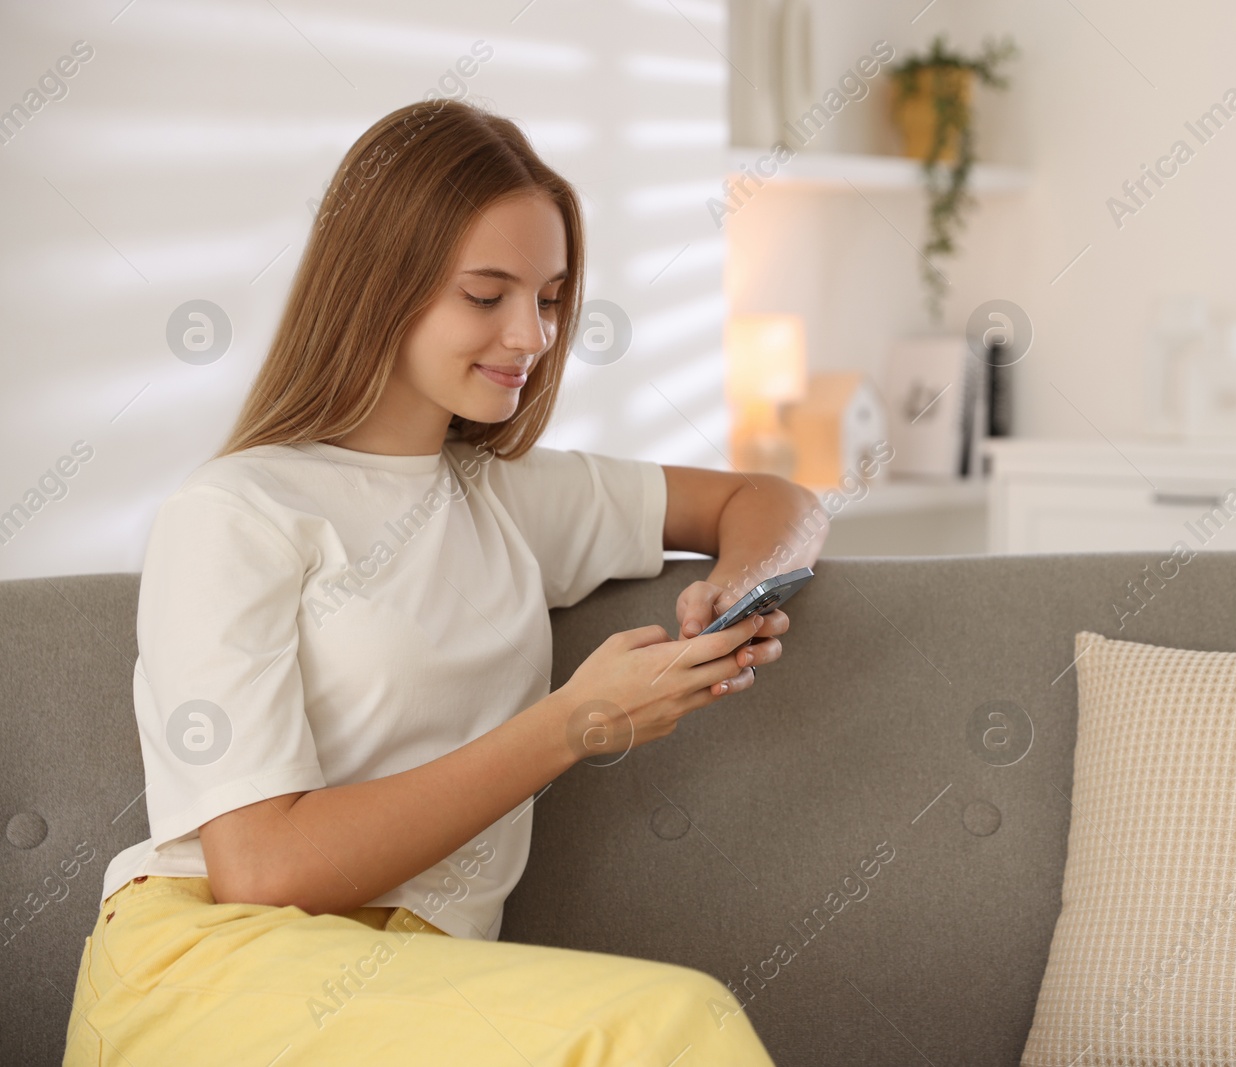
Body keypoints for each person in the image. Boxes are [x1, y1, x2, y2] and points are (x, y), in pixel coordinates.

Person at [62, 98, 825, 1066]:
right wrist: (572, 722)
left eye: (548, 297)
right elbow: (260, 866)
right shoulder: (235, 509)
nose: (531, 334)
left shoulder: (509, 496)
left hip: (417, 983)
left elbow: (771, 496)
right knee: (669, 1023)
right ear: (378, 286)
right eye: (485, 294)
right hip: (215, 966)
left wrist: (738, 586)